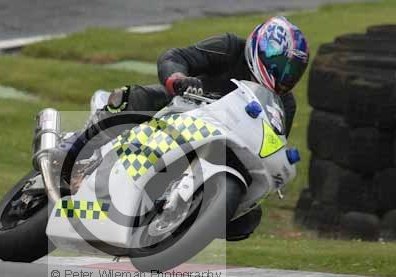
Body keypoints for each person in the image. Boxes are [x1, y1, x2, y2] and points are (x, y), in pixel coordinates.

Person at [53, 15, 309, 240]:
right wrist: (178, 79)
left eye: (293, 71)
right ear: (263, 50)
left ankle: (175, 225)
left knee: (247, 220)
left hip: (224, 147)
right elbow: (175, 57)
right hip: (181, 111)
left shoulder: (283, 104)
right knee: (136, 98)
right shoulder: (230, 48)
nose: (285, 75)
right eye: (282, 66)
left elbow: (270, 144)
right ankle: (76, 150)